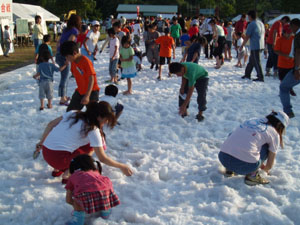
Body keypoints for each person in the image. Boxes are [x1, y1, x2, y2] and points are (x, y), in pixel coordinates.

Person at [34, 101, 133, 183]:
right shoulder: (92, 129)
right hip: (59, 159)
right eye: (106, 119)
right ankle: (69, 172)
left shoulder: (74, 113)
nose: (106, 122)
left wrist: (41, 142)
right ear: (99, 117)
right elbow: (102, 158)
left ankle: (57, 170)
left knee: (70, 142)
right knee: (92, 145)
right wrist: (122, 166)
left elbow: (51, 124)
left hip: (46, 152)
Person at [218, 111, 289, 186]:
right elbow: (269, 165)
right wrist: (263, 169)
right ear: (280, 126)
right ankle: (253, 176)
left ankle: (229, 170)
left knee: (239, 136)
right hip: (245, 166)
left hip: (223, 158)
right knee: (267, 146)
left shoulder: (252, 120)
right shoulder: (274, 133)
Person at [65, 154, 120, 225]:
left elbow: (68, 199)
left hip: (85, 194)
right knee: (101, 193)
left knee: (77, 200)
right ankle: (106, 212)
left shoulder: (73, 176)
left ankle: (78, 221)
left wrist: (78, 206)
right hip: (106, 191)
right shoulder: (96, 172)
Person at [60, 41, 100, 112]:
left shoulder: (86, 61)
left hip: (91, 91)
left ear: (74, 53)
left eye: (67, 57)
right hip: (80, 91)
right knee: (70, 113)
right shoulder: (73, 62)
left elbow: (91, 78)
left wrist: (87, 95)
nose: (66, 59)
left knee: (93, 115)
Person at [56, 14, 81, 106]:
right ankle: (62, 98)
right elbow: (69, 43)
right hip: (65, 55)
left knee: (64, 76)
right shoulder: (75, 31)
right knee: (65, 77)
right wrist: (67, 58)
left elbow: (59, 42)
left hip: (59, 53)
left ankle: (64, 96)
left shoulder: (66, 29)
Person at [279, 18, 300, 118]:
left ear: (295, 26)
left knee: (283, 87)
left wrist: (297, 69)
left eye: (291, 27)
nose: (291, 29)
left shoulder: (298, 37)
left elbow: (298, 53)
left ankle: (288, 111)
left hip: (298, 68)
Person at [240, 10, 265, 82]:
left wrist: (242, 45)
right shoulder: (261, 23)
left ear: (250, 16)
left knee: (257, 61)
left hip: (255, 45)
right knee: (251, 61)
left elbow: (247, 36)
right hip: (261, 44)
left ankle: (260, 76)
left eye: (248, 16)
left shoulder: (251, 24)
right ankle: (247, 74)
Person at [274, 24, 296, 96]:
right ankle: (282, 91)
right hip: (282, 63)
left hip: (292, 63)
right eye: (287, 33)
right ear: (284, 32)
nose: (289, 35)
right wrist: (285, 55)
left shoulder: (294, 38)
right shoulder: (279, 40)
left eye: (290, 33)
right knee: (282, 79)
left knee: (291, 78)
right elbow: (276, 51)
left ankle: (290, 88)